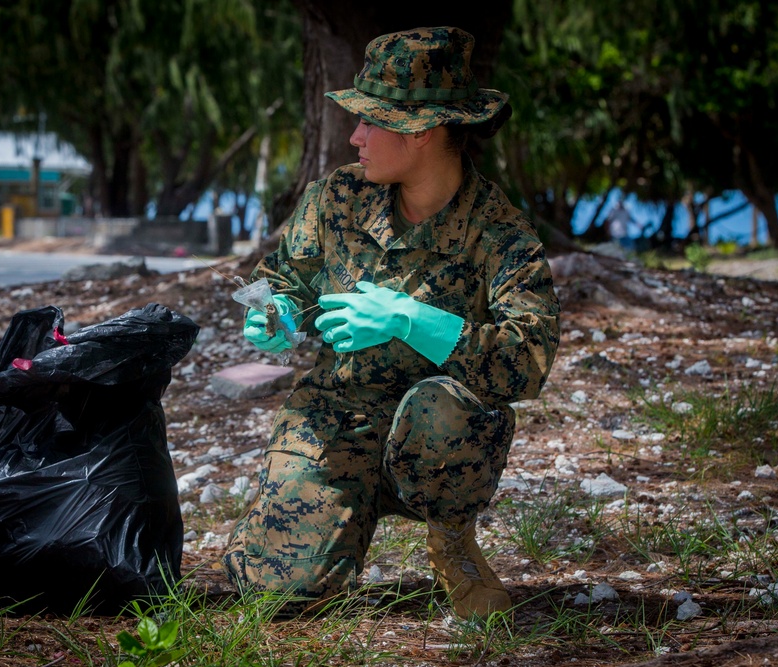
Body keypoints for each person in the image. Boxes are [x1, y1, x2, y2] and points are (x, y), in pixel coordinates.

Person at [222, 26, 561, 620]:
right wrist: (272, 311)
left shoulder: (500, 232)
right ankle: (339, 513)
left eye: (371, 121)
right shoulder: (337, 198)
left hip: (435, 433)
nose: (355, 136)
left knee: (441, 405)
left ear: (422, 130)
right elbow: (285, 278)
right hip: (337, 416)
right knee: (275, 592)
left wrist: (413, 320)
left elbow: (529, 360)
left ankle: (451, 541)